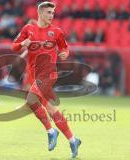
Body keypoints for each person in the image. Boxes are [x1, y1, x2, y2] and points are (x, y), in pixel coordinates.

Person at [11, 2, 81, 158]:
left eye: (52, 13)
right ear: (40, 13)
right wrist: (23, 43)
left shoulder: (56, 31)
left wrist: (65, 53)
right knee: (51, 109)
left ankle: (51, 131)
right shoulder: (28, 30)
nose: (51, 15)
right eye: (48, 12)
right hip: (36, 74)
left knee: (30, 99)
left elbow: (64, 48)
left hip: (49, 74)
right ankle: (73, 140)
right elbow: (13, 46)